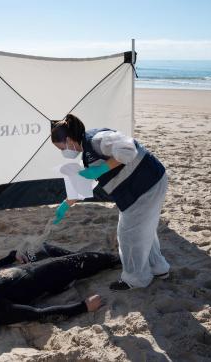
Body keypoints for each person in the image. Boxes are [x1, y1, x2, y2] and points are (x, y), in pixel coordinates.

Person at [50, 114, 169, 291]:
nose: (64, 152)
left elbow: (129, 150)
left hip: (146, 184)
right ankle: (159, 268)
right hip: (141, 186)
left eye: (62, 148)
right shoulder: (86, 152)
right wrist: (66, 203)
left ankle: (136, 279)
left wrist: (102, 168)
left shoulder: (97, 139)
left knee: (128, 235)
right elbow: (86, 183)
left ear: (68, 140)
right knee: (143, 229)